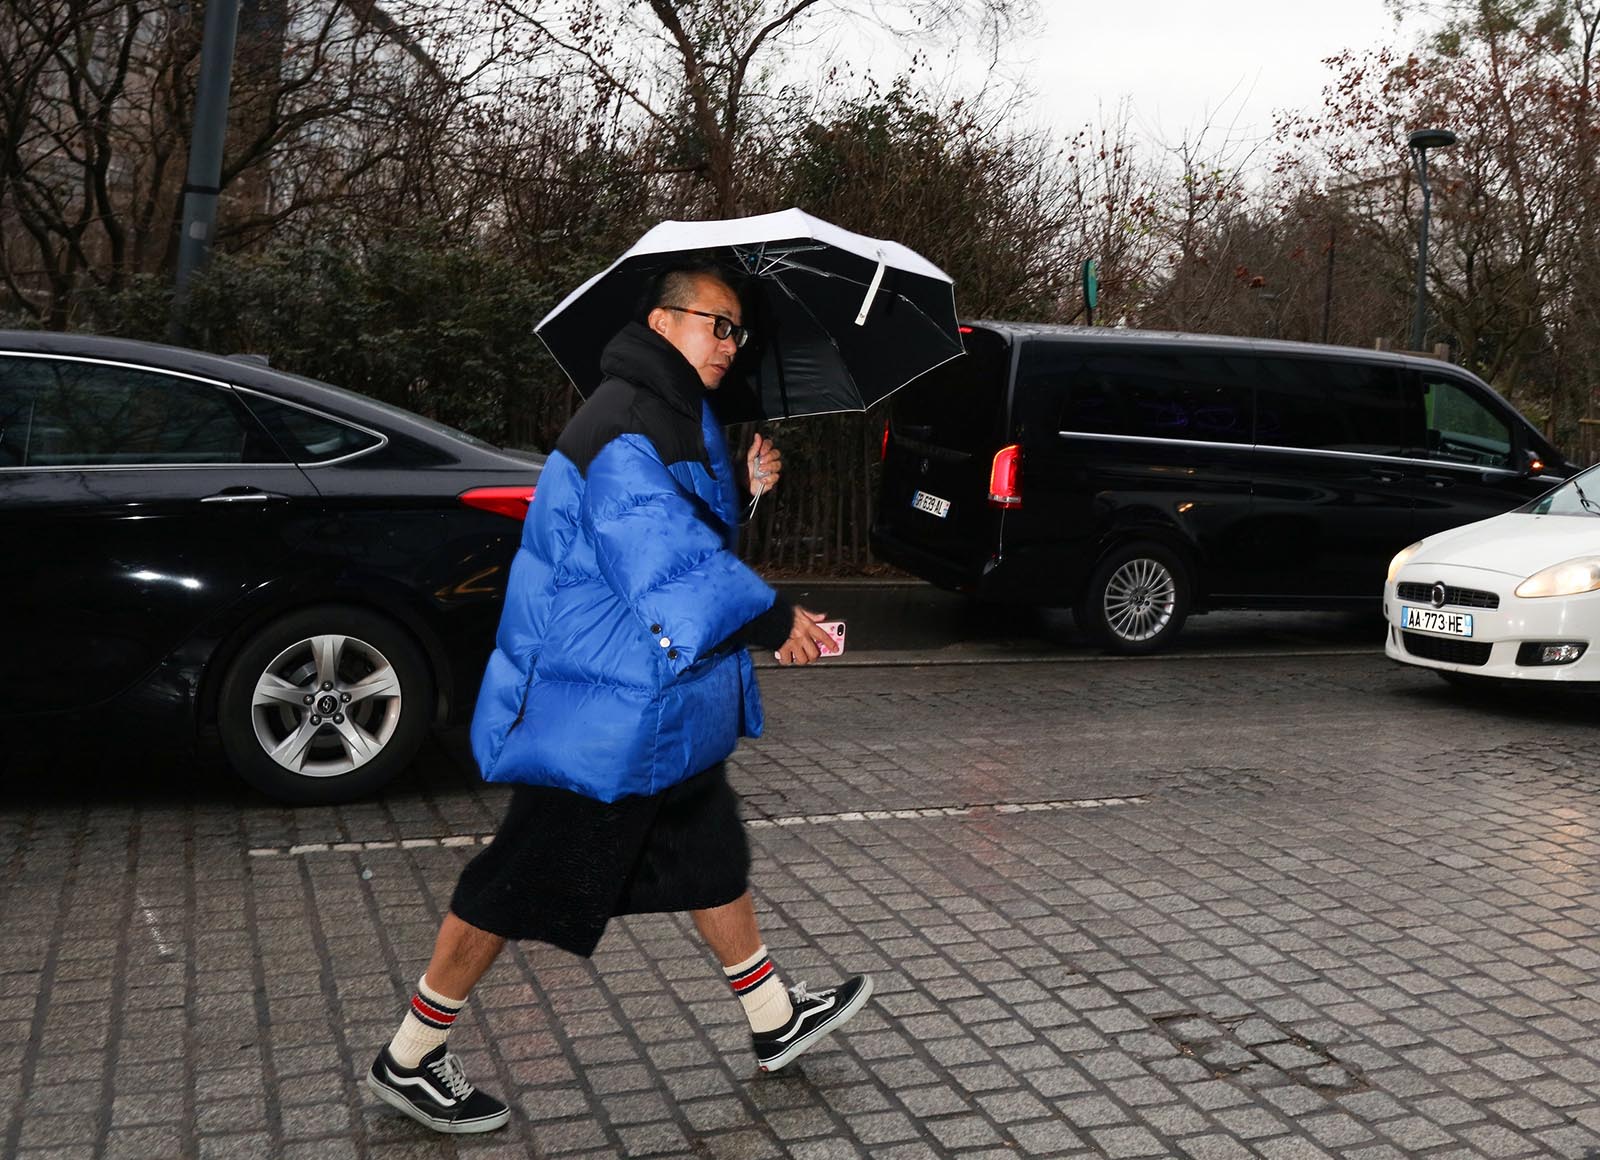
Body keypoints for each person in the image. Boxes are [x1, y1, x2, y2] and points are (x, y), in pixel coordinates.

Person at [365, 259, 872, 1134]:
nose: (731, 343)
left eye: (738, 330)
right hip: (602, 710)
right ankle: (410, 1056)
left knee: (708, 847)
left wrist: (743, 489)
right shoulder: (626, 418)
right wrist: (774, 617)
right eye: (717, 324)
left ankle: (773, 1016)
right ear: (664, 321)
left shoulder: (671, 411)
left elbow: (681, 535)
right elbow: (662, 561)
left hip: (650, 697)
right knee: (514, 879)